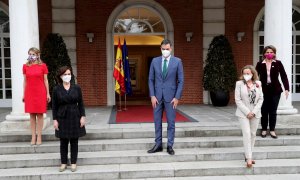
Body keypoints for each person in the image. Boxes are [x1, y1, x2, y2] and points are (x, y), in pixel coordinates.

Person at [148, 39, 184, 155]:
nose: (165, 51)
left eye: (167, 49)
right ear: (160, 49)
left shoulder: (177, 62)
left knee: (171, 122)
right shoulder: (154, 61)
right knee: (157, 121)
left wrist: (177, 97)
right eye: (163, 49)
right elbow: (151, 79)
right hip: (157, 97)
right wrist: (152, 95)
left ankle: (170, 145)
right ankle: (158, 145)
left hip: (171, 97)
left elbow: (181, 81)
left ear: (171, 49)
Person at [52, 66, 86, 172]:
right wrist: (55, 119)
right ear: (61, 76)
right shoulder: (56, 89)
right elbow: (54, 106)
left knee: (74, 141)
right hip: (62, 116)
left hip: (75, 115)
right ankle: (63, 163)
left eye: (69, 74)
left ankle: (73, 163)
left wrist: (83, 117)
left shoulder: (76, 88)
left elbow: (81, 103)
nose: (67, 76)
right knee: (63, 141)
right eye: (65, 74)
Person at [255, 45, 290, 139]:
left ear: (274, 53)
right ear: (264, 54)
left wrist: (286, 88)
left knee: (273, 111)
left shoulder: (278, 63)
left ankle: (272, 130)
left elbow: (284, 76)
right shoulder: (260, 64)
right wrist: (254, 86)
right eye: (267, 52)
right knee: (264, 110)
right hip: (263, 91)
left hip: (275, 90)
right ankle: (263, 129)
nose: (269, 54)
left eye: (271, 52)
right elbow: (255, 76)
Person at [235, 65, 263, 168]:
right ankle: (249, 158)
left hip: (256, 113)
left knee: (253, 134)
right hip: (243, 113)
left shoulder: (258, 83)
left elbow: (261, 99)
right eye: (244, 73)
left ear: (253, 74)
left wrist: (254, 112)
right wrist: (247, 112)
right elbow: (237, 100)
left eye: (248, 73)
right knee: (246, 133)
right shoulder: (239, 84)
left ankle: (249, 155)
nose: (246, 75)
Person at [23, 47, 51, 146]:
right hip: (30, 92)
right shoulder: (25, 66)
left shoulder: (43, 66)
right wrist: (24, 94)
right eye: (30, 54)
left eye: (33, 54)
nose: (31, 56)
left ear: (38, 55)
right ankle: (33, 136)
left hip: (40, 92)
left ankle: (39, 136)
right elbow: (25, 81)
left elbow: (46, 80)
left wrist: (48, 93)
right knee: (31, 115)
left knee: (39, 115)